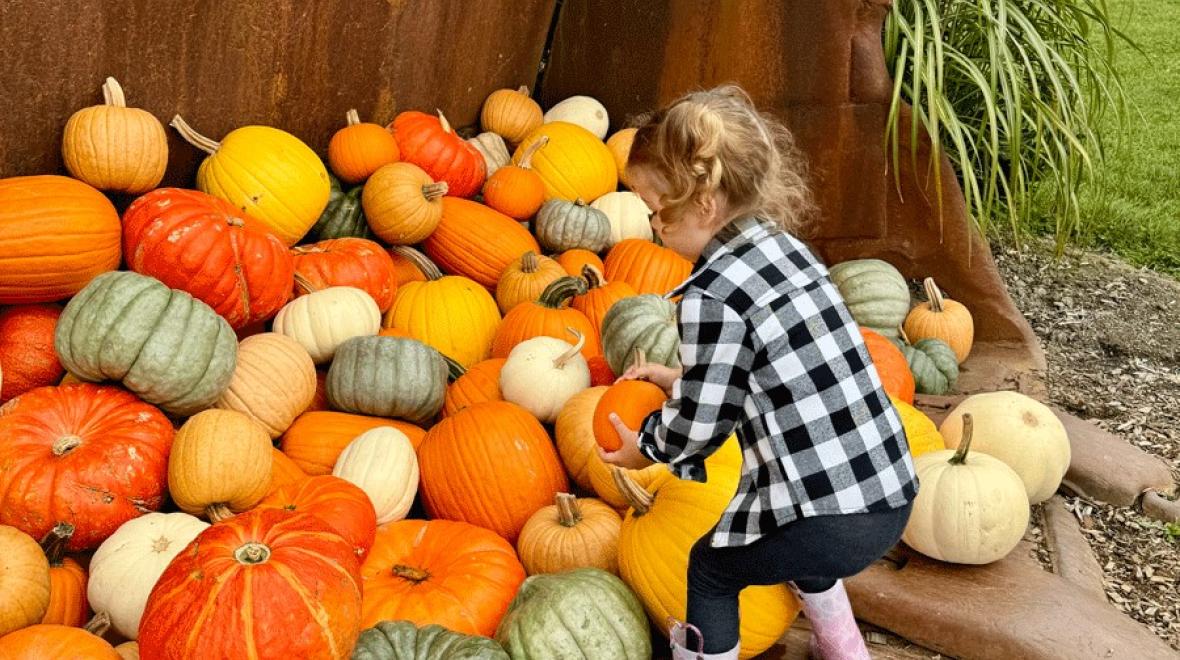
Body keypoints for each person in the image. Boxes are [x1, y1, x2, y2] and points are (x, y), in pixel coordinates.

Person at [598, 85, 919, 660]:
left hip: (823, 515)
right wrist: (678, 379)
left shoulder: (712, 294)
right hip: (887, 494)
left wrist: (643, 446)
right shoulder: (790, 253)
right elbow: (771, 375)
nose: (652, 226)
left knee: (713, 569)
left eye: (655, 209)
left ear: (703, 203)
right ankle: (846, 652)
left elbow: (701, 425)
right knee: (800, 553)